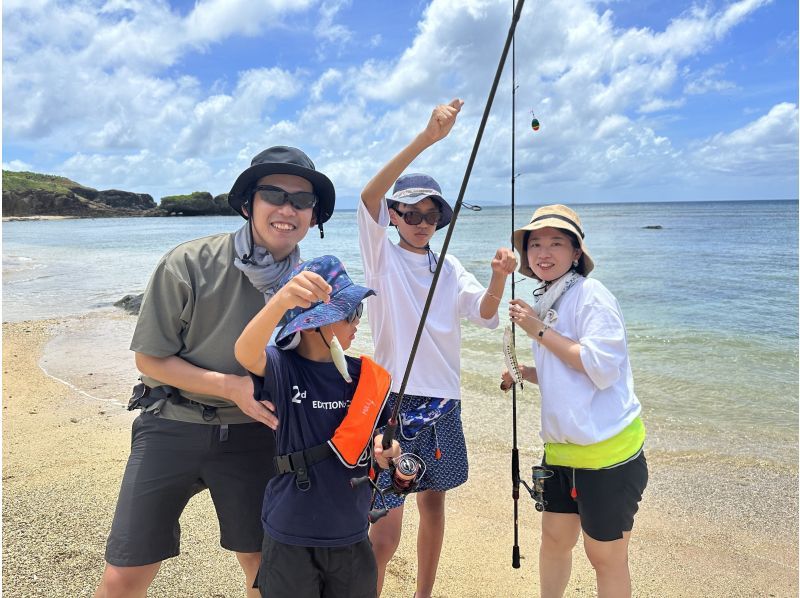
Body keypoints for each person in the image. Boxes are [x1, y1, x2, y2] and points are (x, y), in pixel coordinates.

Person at [95, 146, 336, 598]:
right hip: (170, 423)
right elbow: (149, 360)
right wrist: (230, 386)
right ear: (248, 204)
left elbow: (317, 371)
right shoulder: (188, 263)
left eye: (302, 201)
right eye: (273, 195)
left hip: (258, 433)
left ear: (314, 216)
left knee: (268, 571)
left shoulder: (315, 284)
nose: (288, 209)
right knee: (123, 575)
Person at [358, 99, 517, 598]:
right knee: (384, 525)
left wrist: (497, 278)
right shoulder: (380, 257)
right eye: (411, 213)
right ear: (396, 216)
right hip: (391, 401)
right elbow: (368, 195)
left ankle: (424, 594)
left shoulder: (449, 269)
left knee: (434, 505)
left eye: (431, 214)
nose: (422, 222)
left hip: (444, 400)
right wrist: (426, 138)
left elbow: (487, 315)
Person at [501, 204, 648, 598]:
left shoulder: (591, 294)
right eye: (535, 244)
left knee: (605, 557)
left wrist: (535, 329)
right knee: (553, 541)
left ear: (576, 253)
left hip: (607, 454)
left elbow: (602, 367)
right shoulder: (550, 297)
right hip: (562, 451)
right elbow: (569, 369)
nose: (543, 253)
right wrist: (526, 374)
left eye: (556, 243)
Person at [234, 255, 401, 598]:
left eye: (359, 312)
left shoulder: (364, 377)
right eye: (350, 313)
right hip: (290, 531)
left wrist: (388, 451)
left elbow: (379, 440)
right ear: (312, 324)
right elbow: (245, 352)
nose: (358, 321)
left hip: (352, 530)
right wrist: (281, 301)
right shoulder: (283, 367)